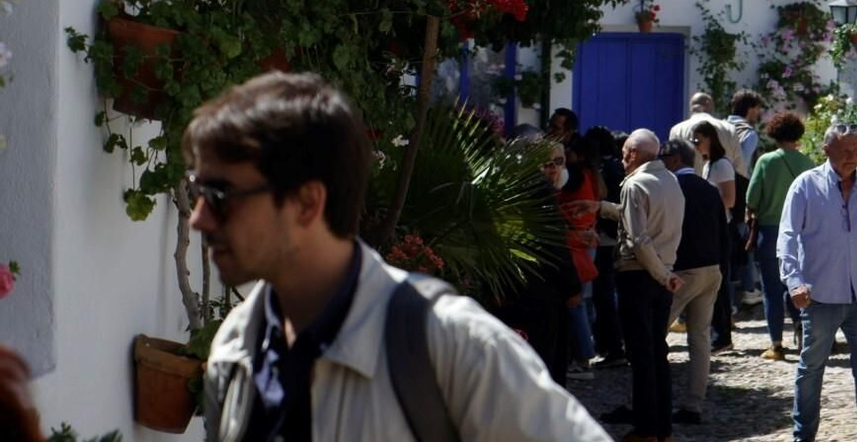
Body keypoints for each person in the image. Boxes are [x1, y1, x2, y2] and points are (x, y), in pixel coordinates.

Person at [186, 71, 608, 439]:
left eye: (219, 195)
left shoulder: (449, 344)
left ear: (305, 203)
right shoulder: (238, 345)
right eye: (196, 191)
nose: (198, 218)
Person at [778, 123, 857, 442]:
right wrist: (794, 282)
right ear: (826, 150)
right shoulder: (805, 185)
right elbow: (787, 237)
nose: (853, 157)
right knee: (811, 368)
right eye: (845, 151)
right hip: (819, 297)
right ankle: (803, 435)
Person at [597, 129, 685, 442]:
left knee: (641, 357)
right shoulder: (670, 181)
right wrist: (599, 207)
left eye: (624, 153)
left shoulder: (634, 184)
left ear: (634, 154)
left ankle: (647, 430)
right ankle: (663, 429)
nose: (622, 159)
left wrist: (661, 274)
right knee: (657, 353)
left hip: (639, 274)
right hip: (663, 273)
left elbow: (638, 238)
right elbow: (640, 219)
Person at [489, 133, 583, 389]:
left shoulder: (500, 182)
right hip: (539, 290)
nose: (552, 168)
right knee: (542, 365)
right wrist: (572, 286)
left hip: (509, 286)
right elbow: (553, 244)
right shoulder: (536, 188)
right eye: (546, 161)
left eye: (557, 161)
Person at [658, 138, 728, 427]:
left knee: (651, 336)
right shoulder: (709, 190)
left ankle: (643, 401)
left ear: (675, 160)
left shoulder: (672, 187)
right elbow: (723, 232)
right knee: (699, 340)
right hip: (711, 269)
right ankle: (693, 405)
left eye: (663, 157)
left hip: (682, 271)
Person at [745, 110, 813, 360]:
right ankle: (801, 327)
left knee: (771, 289)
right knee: (795, 283)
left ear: (774, 133)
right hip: (801, 234)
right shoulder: (808, 163)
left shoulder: (767, 161)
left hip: (770, 231)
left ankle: (776, 344)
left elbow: (752, 198)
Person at [558, 133, 604, 379]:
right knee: (583, 301)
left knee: (575, 302)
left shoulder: (575, 175)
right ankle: (584, 354)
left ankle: (583, 358)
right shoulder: (592, 175)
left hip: (575, 242)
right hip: (586, 240)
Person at [692, 119, 738, 353]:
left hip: (721, 227)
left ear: (709, 138)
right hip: (711, 226)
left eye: (698, 140)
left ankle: (723, 335)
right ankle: (718, 332)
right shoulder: (708, 164)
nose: (696, 145)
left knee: (720, 281)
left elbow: (729, 199)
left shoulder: (721, 165)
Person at [584, 124, 627, 367]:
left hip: (604, 238)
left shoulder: (604, 169)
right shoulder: (617, 166)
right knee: (608, 293)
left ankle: (611, 346)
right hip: (613, 236)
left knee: (603, 294)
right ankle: (612, 345)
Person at [726, 90, 765, 306]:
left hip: (716, 188)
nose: (758, 113)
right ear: (750, 108)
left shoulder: (720, 127)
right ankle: (748, 290)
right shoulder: (748, 133)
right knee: (745, 240)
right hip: (739, 194)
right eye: (758, 108)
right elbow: (742, 168)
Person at [669, 93, 746, 177]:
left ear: (692, 108)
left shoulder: (677, 130)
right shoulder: (729, 129)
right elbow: (739, 166)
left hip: (688, 187)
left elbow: (672, 163)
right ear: (709, 105)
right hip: (721, 186)